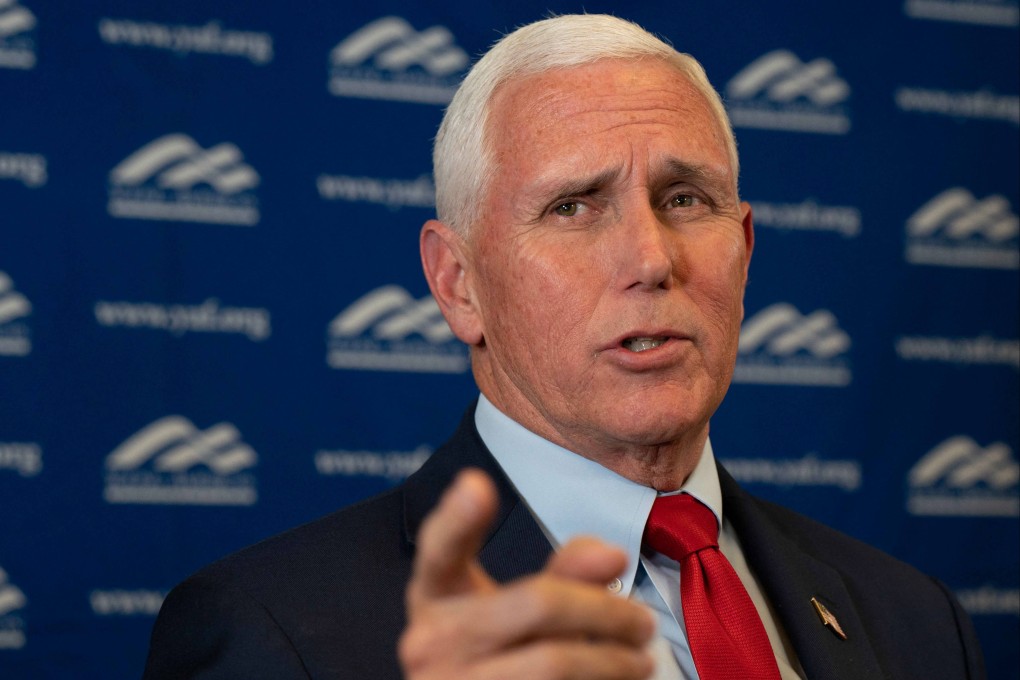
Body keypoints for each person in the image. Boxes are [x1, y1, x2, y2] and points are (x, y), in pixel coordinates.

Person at [143, 14, 986, 680]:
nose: (652, 259)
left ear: (745, 249)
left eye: (685, 199)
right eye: (573, 207)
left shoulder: (917, 622)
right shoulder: (271, 632)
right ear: (458, 284)